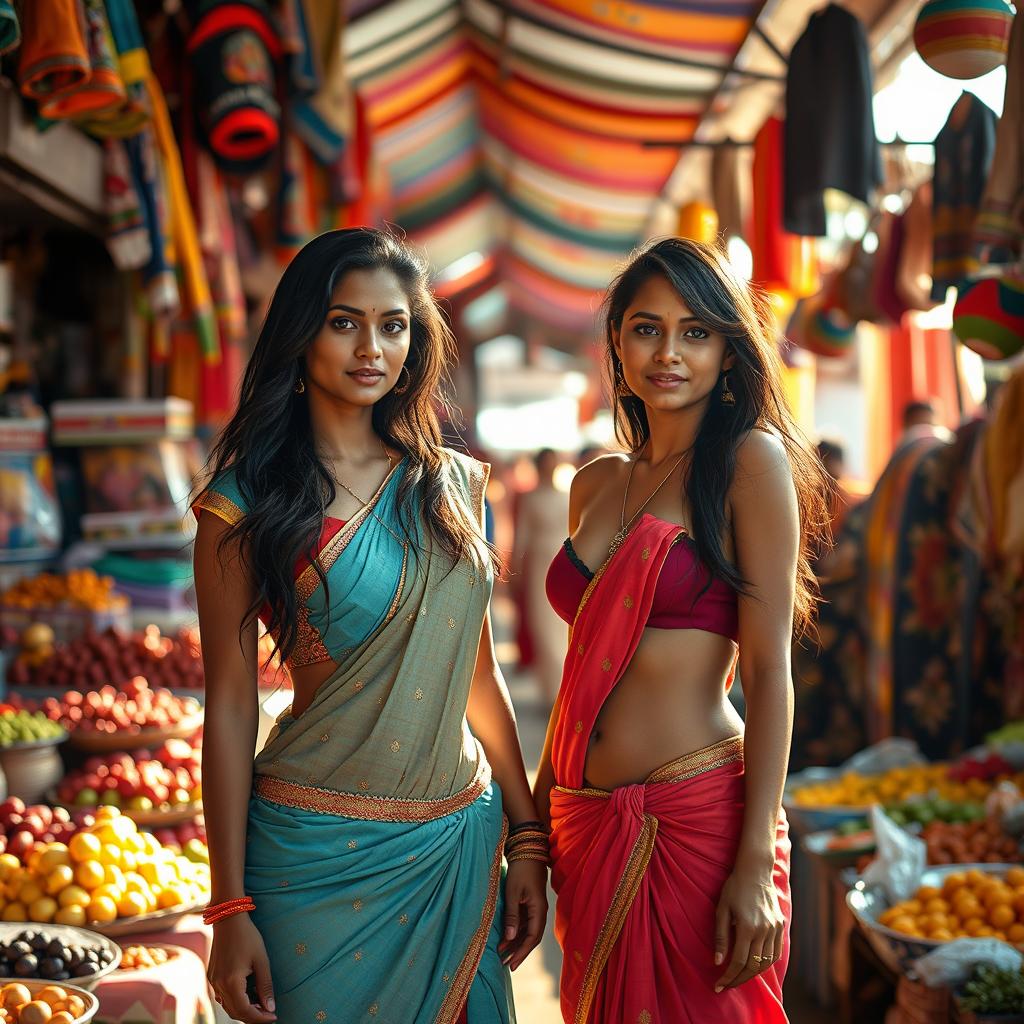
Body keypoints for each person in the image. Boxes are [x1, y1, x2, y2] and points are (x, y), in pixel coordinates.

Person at [192, 228, 547, 1024]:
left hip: (456, 845)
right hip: (310, 862)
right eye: (344, 321)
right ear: (301, 332)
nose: (371, 347)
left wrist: (527, 836)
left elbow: (478, 678)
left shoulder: (453, 487)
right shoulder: (242, 506)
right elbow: (232, 705)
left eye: (393, 326)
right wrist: (228, 907)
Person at [535, 237, 830, 1023]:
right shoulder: (595, 484)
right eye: (646, 328)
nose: (669, 352)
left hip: (697, 823)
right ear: (618, 343)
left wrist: (758, 857)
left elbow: (770, 673)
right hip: (585, 824)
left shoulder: (748, 465)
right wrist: (532, 831)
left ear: (730, 354)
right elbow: (581, 672)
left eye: (696, 331)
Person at [512, 449, 571, 704]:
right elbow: (521, 534)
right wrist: (516, 566)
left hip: (563, 561)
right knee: (543, 626)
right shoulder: (531, 499)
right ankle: (552, 692)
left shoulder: (568, 495)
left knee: (561, 624)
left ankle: (564, 690)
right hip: (538, 564)